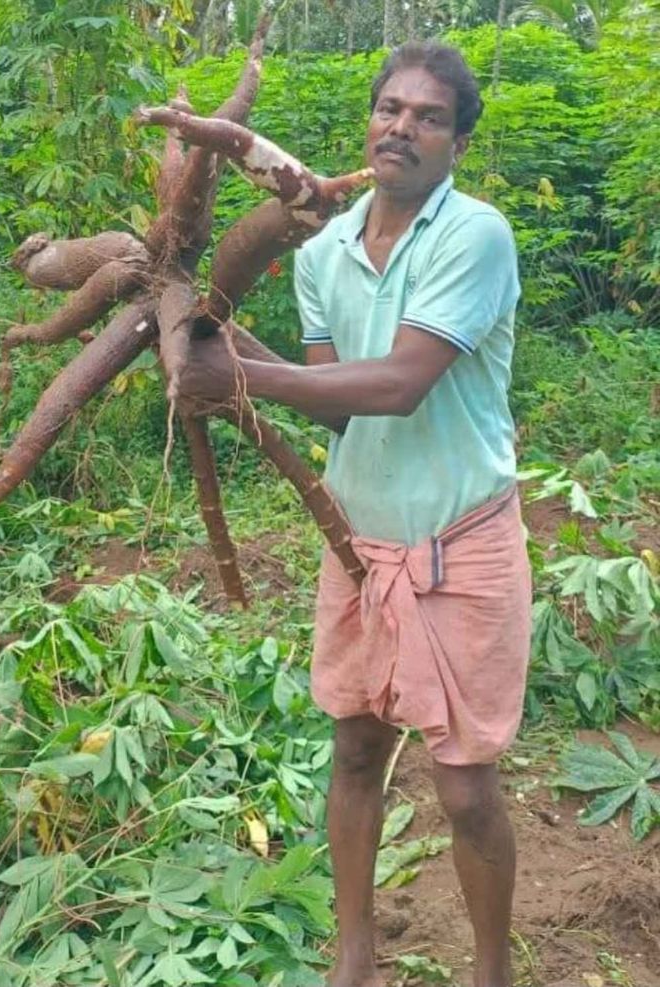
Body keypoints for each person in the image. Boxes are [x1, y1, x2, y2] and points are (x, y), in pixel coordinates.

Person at [178, 40, 532, 987]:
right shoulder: (323, 252)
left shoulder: (475, 236)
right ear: (369, 122)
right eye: (390, 109)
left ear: (458, 143)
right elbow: (335, 403)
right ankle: (353, 958)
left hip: (463, 543)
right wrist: (209, 338)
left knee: (464, 785)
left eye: (428, 117)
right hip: (361, 543)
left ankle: (492, 972)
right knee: (355, 748)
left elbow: (401, 384)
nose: (402, 127)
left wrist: (241, 374)